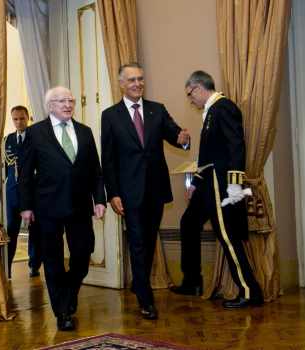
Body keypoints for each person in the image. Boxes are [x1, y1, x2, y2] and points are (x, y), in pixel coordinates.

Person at [101, 63, 190, 320]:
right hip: (128, 192)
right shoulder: (111, 116)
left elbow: (175, 135)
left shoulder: (157, 110)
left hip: (155, 189)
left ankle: (138, 282)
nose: (138, 83)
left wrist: (184, 140)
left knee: (148, 242)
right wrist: (113, 193)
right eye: (132, 80)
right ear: (121, 84)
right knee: (138, 242)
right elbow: (108, 159)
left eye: (140, 79)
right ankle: (145, 297)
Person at [171, 70, 263, 309]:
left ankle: (249, 291)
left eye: (190, 94)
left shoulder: (223, 108)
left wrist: (234, 184)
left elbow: (236, 147)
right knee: (189, 222)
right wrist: (195, 185)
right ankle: (192, 280)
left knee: (228, 236)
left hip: (222, 184)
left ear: (199, 88)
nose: (190, 100)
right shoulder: (210, 112)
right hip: (208, 183)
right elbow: (208, 156)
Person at [19, 86, 106, 331]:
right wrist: (25, 206)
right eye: (61, 101)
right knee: (53, 259)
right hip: (47, 206)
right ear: (50, 106)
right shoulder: (35, 133)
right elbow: (25, 173)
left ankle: (68, 291)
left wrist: (99, 200)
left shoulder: (85, 132)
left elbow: (96, 172)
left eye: (71, 100)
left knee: (82, 254)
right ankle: (63, 311)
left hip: (79, 206)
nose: (68, 105)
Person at [4, 105, 42, 279]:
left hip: (33, 191)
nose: (19, 122)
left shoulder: (36, 138)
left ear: (28, 118)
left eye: (22, 118)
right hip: (13, 192)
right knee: (11, 230)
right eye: (15, 119)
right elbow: (6, 168)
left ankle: (34, 265)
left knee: (35, 229)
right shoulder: (7, 140)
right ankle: (7, 267)